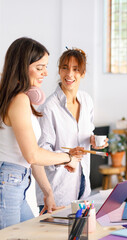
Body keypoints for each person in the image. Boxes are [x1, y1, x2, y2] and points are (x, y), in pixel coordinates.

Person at [0, 37, 82, 229]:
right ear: (22, 66)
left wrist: (48, 192)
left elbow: (29, 156)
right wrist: (67, 158)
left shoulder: (19, 98)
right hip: (9, 182)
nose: (46, 72)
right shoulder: (18, 99)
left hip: (17, 181)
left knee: (31, 232)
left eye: (45, 66)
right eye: (39, 67)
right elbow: (33, 154)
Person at [32, 47, 108, 211]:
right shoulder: (49, 107)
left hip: (83, 187)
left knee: (82, 235)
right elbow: (42, 151)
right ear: (59, 70)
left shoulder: (87, 100)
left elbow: (87, 132)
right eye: (65, 68)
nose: (69, 74)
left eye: (75, 69)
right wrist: (67, 156)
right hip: (57, 191)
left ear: (83, 73)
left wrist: (93, 140)